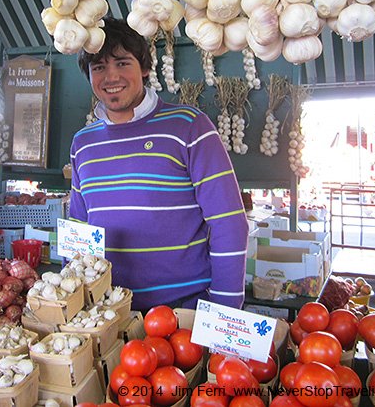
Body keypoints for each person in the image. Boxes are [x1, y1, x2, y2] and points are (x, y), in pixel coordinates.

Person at [69, 17, 249, 312]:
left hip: (183, 312)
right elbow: (79, 226)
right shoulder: (83, 143)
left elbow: (229, 221)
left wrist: (225, 311)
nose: (111, 76)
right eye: (99, 67)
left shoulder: (190, 127)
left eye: (122, 63)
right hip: (109, 313)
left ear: (145, 68)